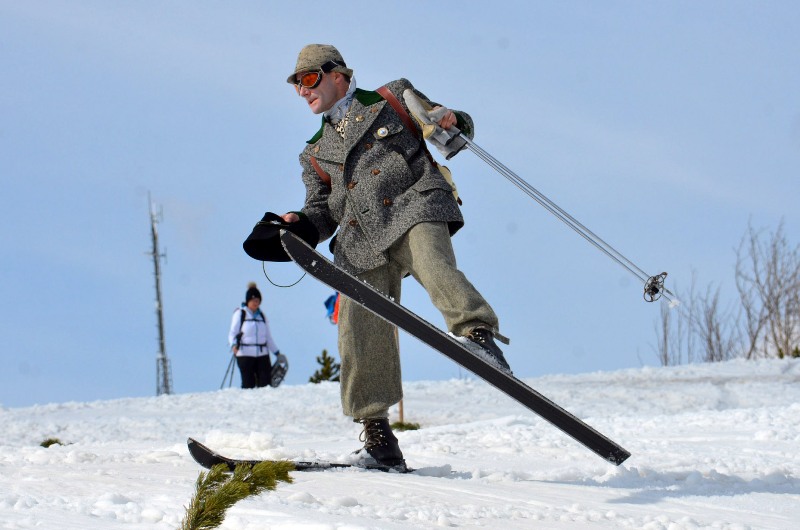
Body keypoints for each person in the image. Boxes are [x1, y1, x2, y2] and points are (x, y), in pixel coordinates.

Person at [280, 44, 510, 469]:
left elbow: (451, 129)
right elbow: (321, 210)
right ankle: (378, 433)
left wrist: (451, 119)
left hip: (412, 204)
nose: (303, 90)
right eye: (297, 85)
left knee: (433, 262)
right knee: (358, 328)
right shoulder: (313, 153)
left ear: (338, 75)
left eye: (309, 79)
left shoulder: (392, 97)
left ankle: (478, 334)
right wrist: (300, 224)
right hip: (359, 237)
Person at [228, 282, 279, 389]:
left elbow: (268, 337)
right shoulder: (240, 314)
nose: (256, 303)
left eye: (258, 301)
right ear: (248, 301)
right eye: (254, 300)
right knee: (248, 384)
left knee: (266, 385)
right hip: (245, 354)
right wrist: (233, 345)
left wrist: (276, 352)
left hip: (262, 355)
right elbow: (233, 333)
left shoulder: (262, 316)